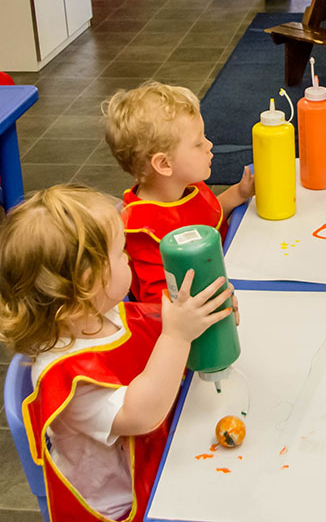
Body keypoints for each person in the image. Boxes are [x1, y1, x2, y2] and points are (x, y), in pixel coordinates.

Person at [0, 184, 235, 522]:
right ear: (88, 283)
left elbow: (160, 334)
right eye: (121, 252)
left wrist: (207, 318)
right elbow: (142, 414)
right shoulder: (65, 379)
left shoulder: (104, 315)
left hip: (161, 457)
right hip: (126, 507)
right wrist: (177, 335)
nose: (129, 258)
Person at [103, 81, 254, 303]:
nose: (209, 145)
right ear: (164, 164)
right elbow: (159, 300)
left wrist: (239, 193)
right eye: (198, 143)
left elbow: (203, 217)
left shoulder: (187, 185)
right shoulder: (143, 231)